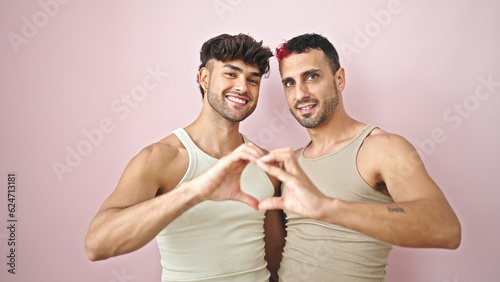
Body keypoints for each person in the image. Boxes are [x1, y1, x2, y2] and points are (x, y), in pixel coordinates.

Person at [255, 33, 462, 281]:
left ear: (339, 79)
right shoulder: (292, 163)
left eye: (312, 77)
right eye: (289, 83)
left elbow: (445, 227)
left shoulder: (381, 148)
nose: (300, 94)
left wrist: (329, 208)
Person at [84, 33, 284, 282]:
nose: (243, 87)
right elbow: (97, 244)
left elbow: (275, 258)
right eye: (231, 74)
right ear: (205, 78)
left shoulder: (266, 164)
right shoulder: (160, 158)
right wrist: (195, 190)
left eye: (252, 80)